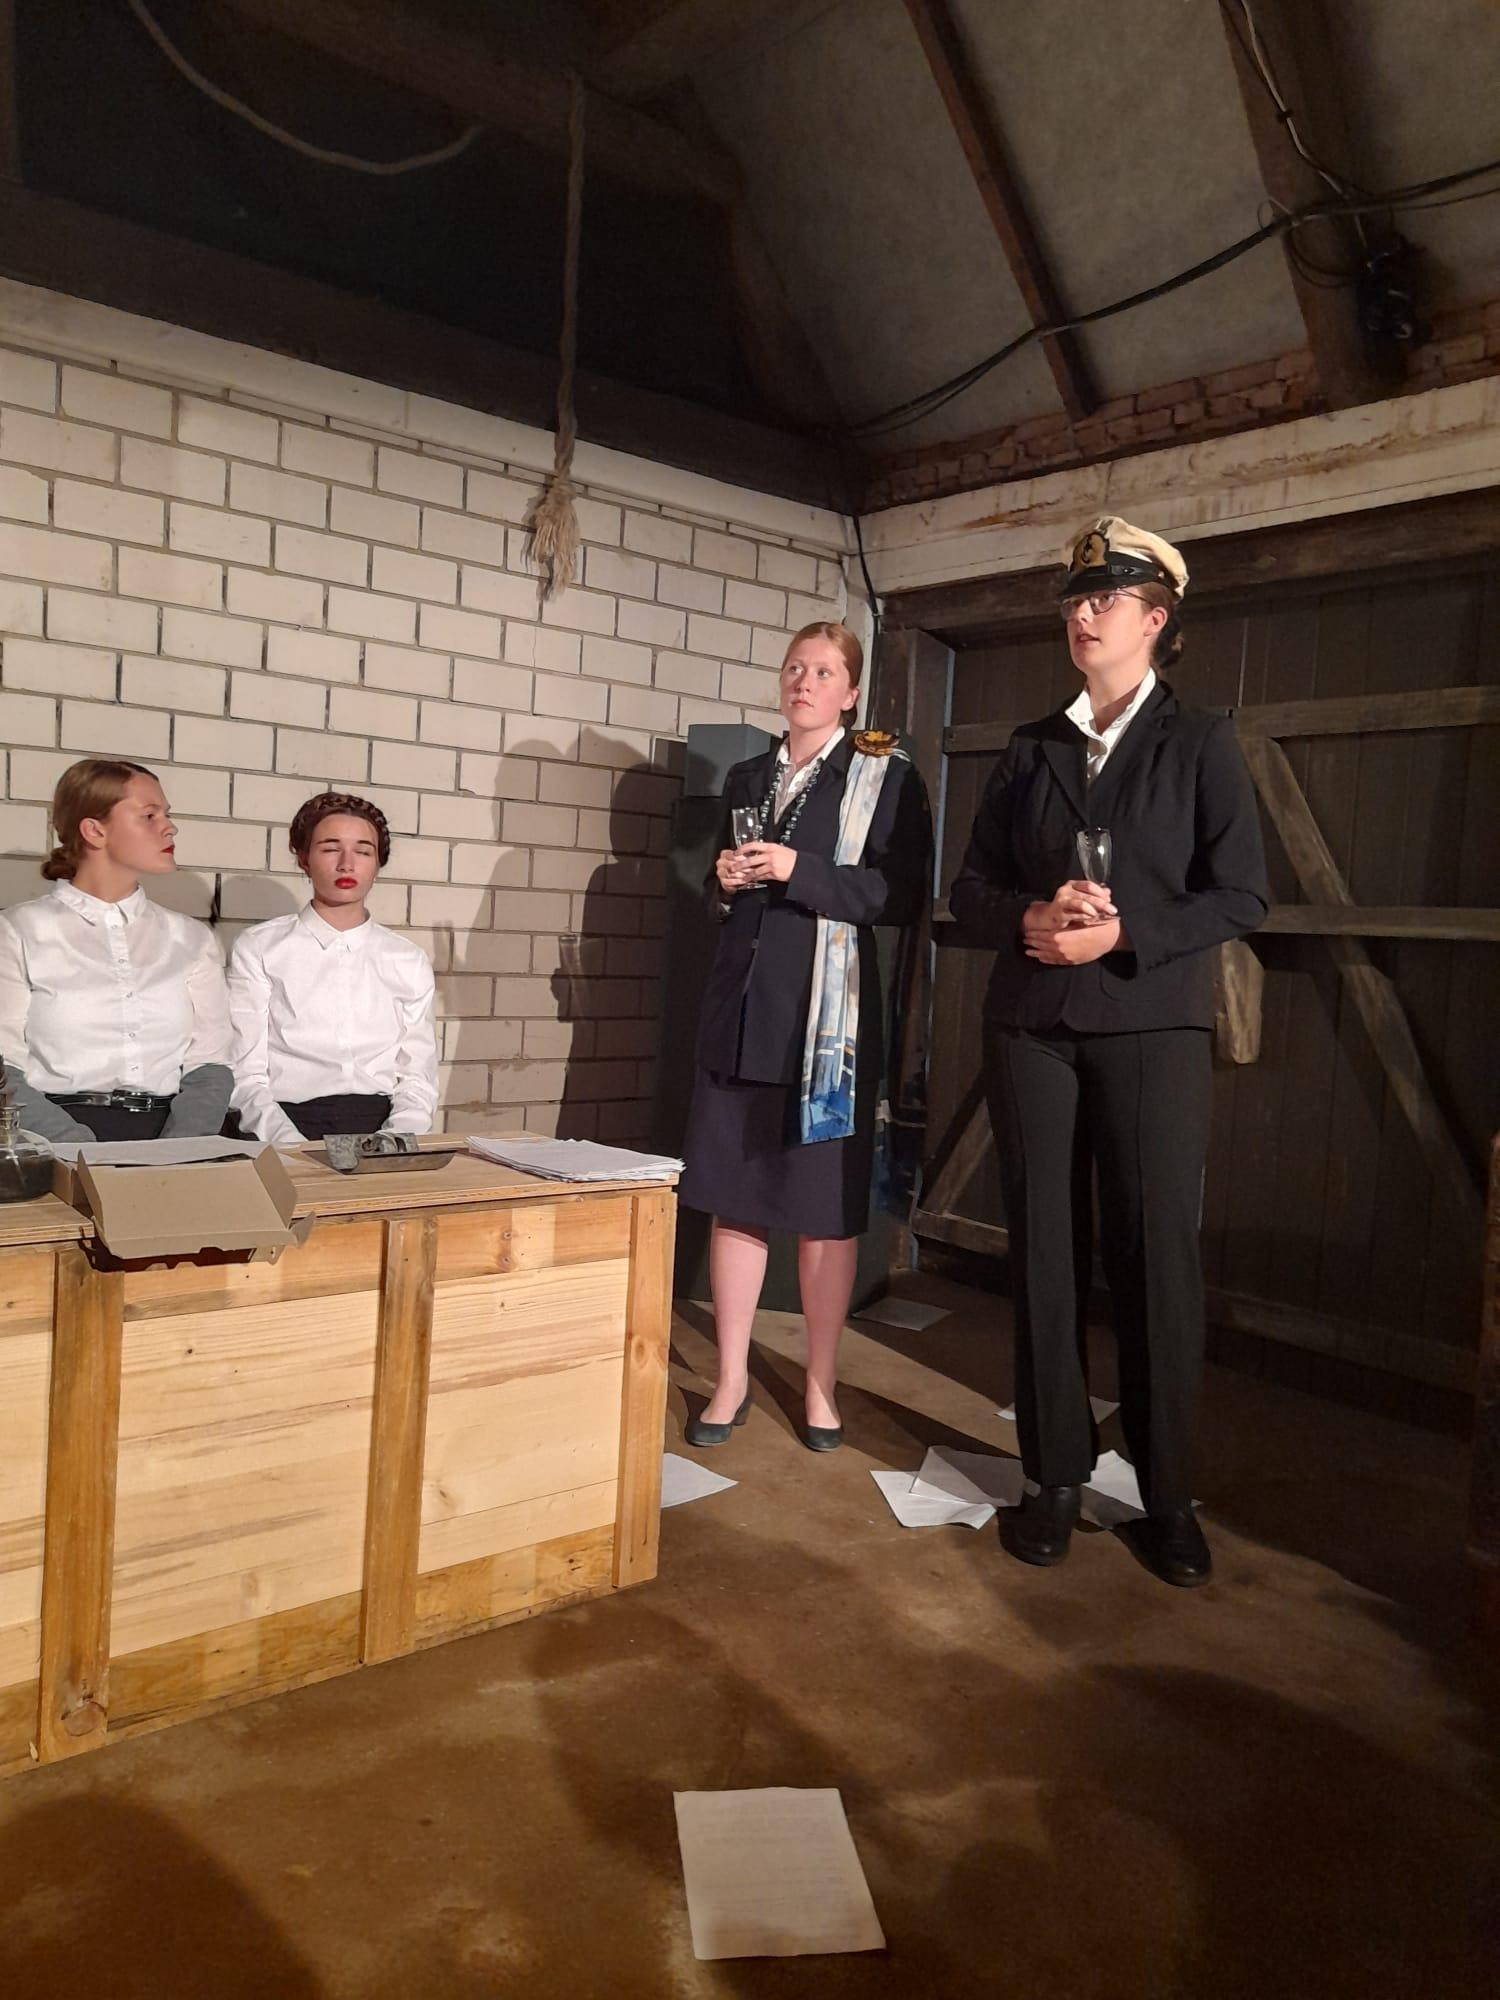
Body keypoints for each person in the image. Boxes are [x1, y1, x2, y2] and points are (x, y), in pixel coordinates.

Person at [951, 516, 1268, 1587]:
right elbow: (969, 889)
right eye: (1075, 600)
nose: (1083, 615)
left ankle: (1166, 1493)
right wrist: (1030, 915)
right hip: (1033, 1026)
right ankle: (1052, 1476)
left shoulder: (1200, 740)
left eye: (1106, 599)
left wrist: (1124, 932)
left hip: (1149, 1023)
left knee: (1154, 1256)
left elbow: (1242, 893)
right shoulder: (1031, 746)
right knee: (1043, 1250)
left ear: (1156, 618)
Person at [678, 621, 932, 1451]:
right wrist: (723, 880)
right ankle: (731, 1380)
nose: (804, 682)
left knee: (825, 1214)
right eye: (795, 667)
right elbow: (722, 890)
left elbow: (899, 894)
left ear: (851, 693)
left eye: (824, 672)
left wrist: (798, 871)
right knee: (736, 1202)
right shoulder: (749, 775)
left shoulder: (883, 775)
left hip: (828, 1028)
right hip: (744, 1015)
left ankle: (821, 1385)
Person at [0, 758, 232, 1143]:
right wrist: (76, 1150)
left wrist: (177, 1153)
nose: (169, 827)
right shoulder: (18, 930)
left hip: (174, 1141)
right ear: (94, 830)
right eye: (149, 815)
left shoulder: (191, 938)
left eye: (167, 814)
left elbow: (211, 1063)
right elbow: (4, 1070)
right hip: (52, 1140)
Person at [227, 792, 438, 1146]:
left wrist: (394, 1141)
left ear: (378, 863)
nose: (346, 864)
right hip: (284, 1127)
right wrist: (292, 1146)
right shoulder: (260, 947)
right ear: (303, 858)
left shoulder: (407, 958)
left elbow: (417, 1076)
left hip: (383, 1128)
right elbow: (245, 1074)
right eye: (330, 848)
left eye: (363, 851)